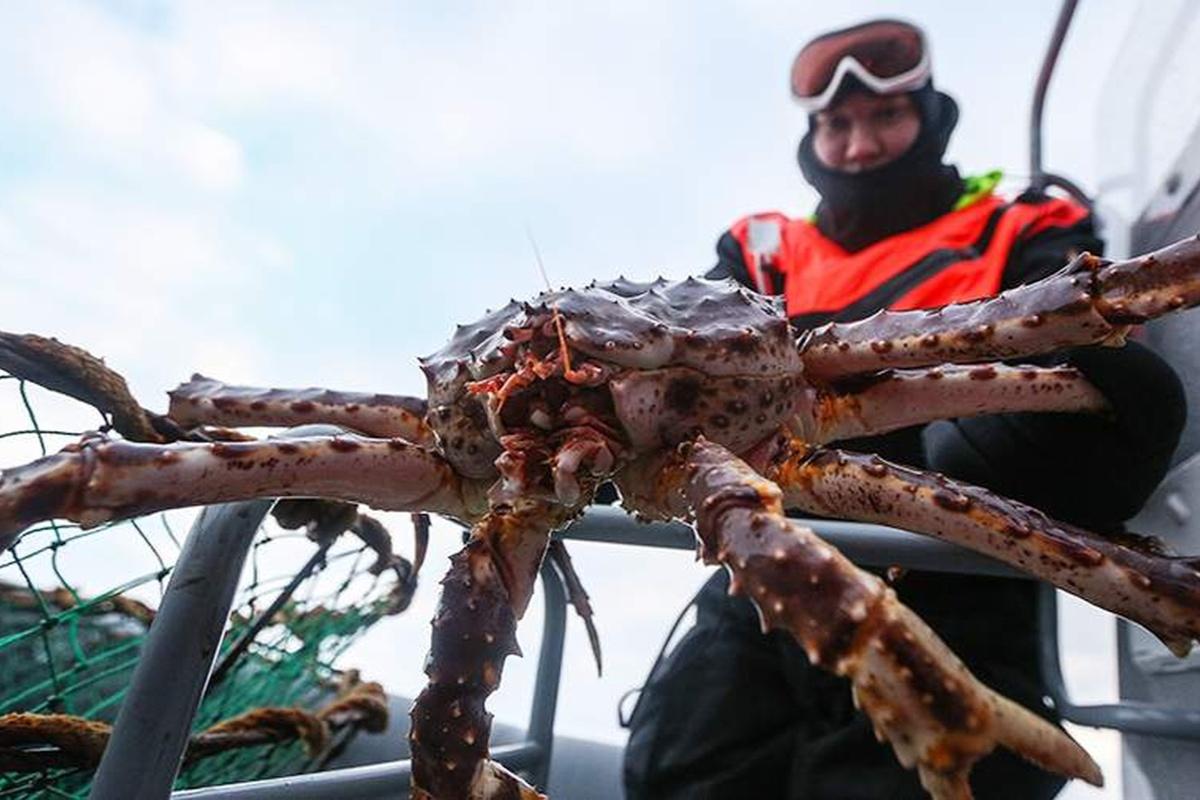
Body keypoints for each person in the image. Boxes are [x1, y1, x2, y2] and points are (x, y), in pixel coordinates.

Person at [623, 18, 1186, 800]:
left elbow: (1095, 352)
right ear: (813, 138)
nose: (860, 145)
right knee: (681, 769)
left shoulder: (1022, 221)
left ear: (929, 115)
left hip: (956, 551)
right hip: (759, 548)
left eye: (885, 115)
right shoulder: (763, 250)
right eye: (838, 125)